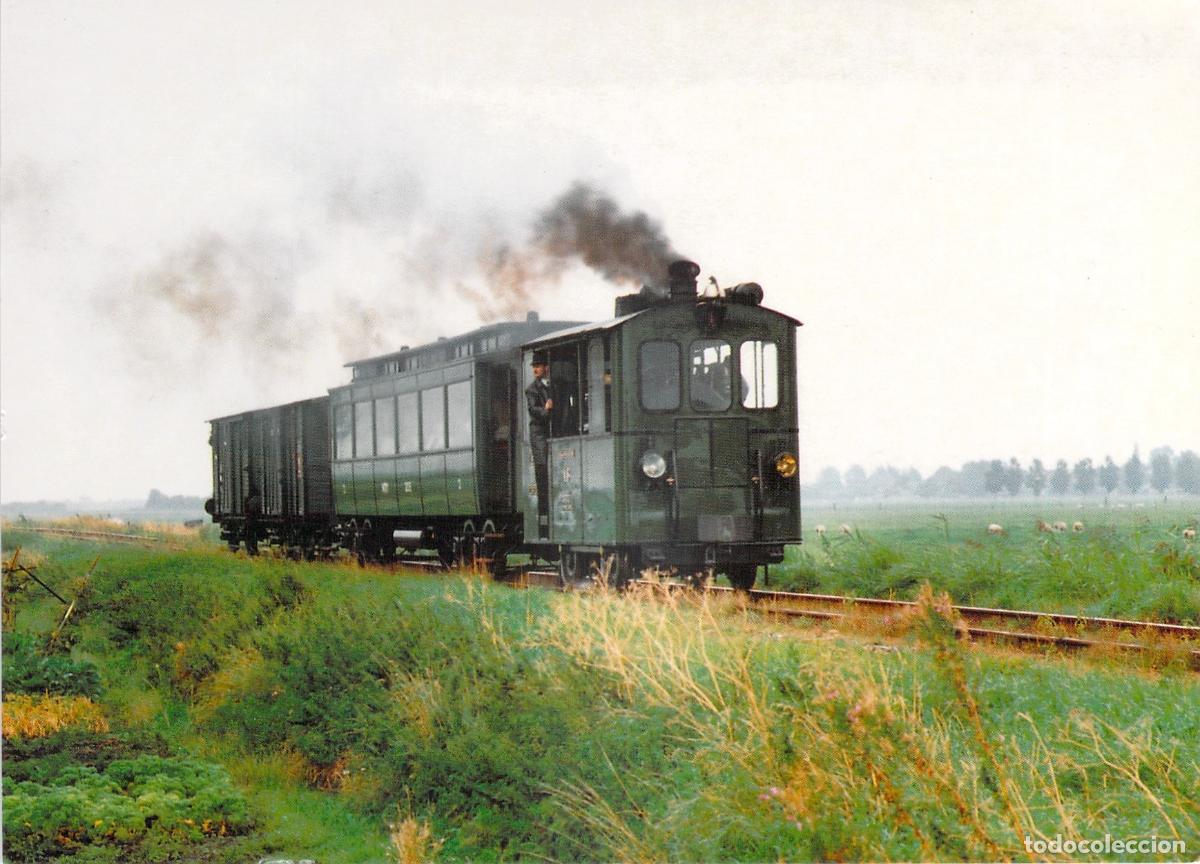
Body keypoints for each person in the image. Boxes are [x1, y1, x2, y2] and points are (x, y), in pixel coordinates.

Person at [525, 354, 553, 538]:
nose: (535, 369)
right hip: (539, 431)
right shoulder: (531, 389)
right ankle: (543, 510)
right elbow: (533, 410)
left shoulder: (552, 386)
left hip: (551, 428)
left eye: (538, 366)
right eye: (534, 366)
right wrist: (547, 410)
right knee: (542, 465)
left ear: (546, 367)